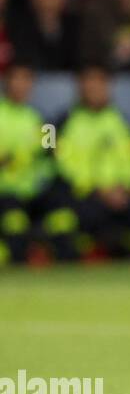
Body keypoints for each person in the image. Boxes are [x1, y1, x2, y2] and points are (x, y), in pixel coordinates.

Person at [46, 66, 130, 260]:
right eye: (88, 83)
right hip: (82, 194)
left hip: (119, 194)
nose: (93, 88)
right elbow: (61, 166)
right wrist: (98, 190)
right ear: (79, 87)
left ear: (109, 86)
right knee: (62, 212)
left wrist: (123, 188)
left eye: (99, 83)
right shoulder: (64, 122)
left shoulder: (121, 121)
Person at [0, 63, 54, 264]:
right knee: (15, 221)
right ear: (6, 82)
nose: (21, 85)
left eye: (26, 79)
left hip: (34, 194)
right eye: (16, 79)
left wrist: (41, 185)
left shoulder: (45, 122)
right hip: (5, 192)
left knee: (61, 216)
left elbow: (50, 161)